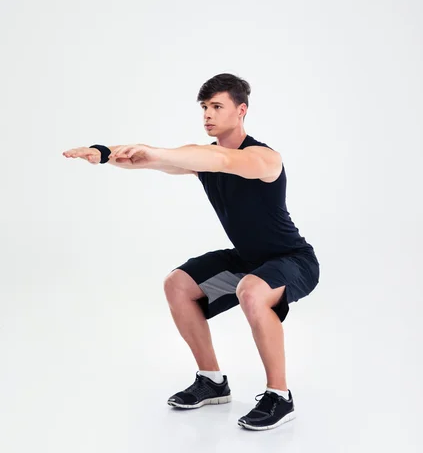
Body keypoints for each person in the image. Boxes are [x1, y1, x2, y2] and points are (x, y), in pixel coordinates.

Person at [63, 72, 320, 431]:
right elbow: (151, 160)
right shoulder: (203, 158)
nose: (208, 115)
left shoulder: (263, 158)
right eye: (204, 107)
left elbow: (224, 162)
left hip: (294, 260)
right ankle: (212, 381)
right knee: (178, 284)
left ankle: (279, 396)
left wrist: (159, 151)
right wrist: (104, 154)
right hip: (247, 259)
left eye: (217, 106)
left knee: (251, 290)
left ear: (241, 110)